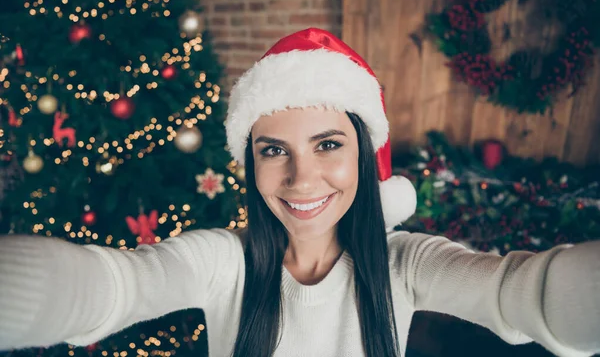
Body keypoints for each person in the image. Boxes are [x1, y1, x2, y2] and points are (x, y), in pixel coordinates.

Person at [0, 28, 599, 357]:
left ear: (364, 157)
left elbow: (527, 293)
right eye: (273, 150)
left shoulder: (406, 264)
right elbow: (119, 285)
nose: (301, 178)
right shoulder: (223, 264)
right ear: (251, 162)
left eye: (328, 145)